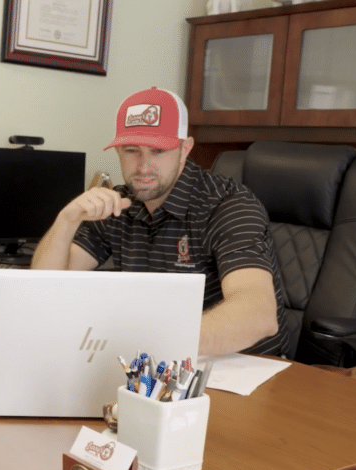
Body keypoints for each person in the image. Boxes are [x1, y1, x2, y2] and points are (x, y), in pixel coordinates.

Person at [32, 87, 289, 357]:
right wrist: (66, 220)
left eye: (158, 151)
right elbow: (44, 292)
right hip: (157, 366)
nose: (143, 167)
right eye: (132, 150)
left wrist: (149, 347)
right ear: (118, 150)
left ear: (184, 149)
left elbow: (258, 315)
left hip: (241, 368)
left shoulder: (229, 206)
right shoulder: (120, 204)